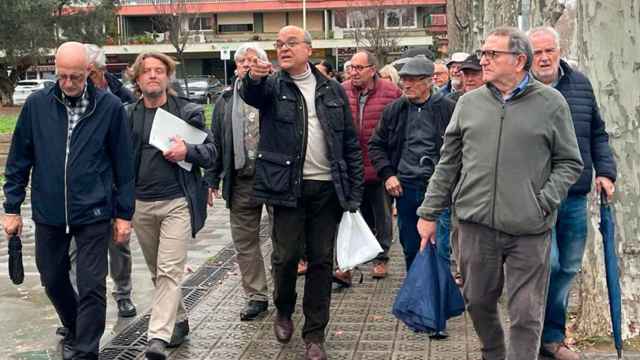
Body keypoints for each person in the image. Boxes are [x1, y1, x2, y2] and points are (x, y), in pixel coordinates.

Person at [416, 27, 584, 360]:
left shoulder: (552, 103)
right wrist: (428, 212)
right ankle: (493, 352)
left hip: (529, 229)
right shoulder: (468, 104)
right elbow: (448, 163)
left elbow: (569, 162)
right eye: (484, 53)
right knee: (477, 301)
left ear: (519, 60)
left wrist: (543, 201)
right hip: (476, 226)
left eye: (493, 54)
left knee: (526, 313)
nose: (484, 60)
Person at [3, 41, 135, 360]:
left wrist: (124, 215)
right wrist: (11, 207)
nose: (68, 83)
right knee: (52, 279)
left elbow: (124, 166)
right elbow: (19, 159)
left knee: (92, 286)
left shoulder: (109, 108)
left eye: (75, 77)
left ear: (88, 73)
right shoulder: (37, 106)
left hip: (94, 212)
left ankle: (86, 352)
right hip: (48, 212)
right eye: (62, 76)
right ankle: (76, 328)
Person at [241, 25, 363, 360]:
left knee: (322, 261)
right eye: (278, 44)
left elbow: (350, 143)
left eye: (290, 43)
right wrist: (253, 76)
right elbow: (249, 93)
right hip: (287, 188)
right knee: (286, 257)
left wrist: (352, 193)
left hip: (326, 188)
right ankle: (283, 309)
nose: (283, 48)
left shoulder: (332, 90)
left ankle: (314, 334)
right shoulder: (271, 86)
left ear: (309, 49)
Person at [528, 26, 617, 360]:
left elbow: (598, 131)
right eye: (538, 52)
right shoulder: (519, 91)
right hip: (537, 197)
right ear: (527, 56)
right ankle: (534, 332)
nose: (546, 57)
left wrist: (606, 172)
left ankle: (550, 337)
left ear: (559, 49)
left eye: (550, 50)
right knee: (546, 265)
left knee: (567, 268)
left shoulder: (580, 83)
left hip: (576, 195)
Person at [127, 51, 215, 360]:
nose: (153, 75)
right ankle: (177, 320)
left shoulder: (188, 111)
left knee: (168, 270)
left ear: (168, 76)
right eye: (146, 71)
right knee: (158, 271)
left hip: (176, 201)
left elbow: (211, 153)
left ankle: (157, 338)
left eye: (159, 71)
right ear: (137, 79)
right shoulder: (128, 115)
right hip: (140, 205)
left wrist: (187, 151)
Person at [368, 55, 455, 272]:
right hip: (405, 187)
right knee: (410, 245)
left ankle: (438, 295)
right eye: (404, 79)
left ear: (428, 81)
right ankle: (416, 293)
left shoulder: (448, 109)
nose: (406, 84)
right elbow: (376, 145)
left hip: (439, 189)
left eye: (413, 79)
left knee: (440, 245)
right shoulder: (394, 110)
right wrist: (388, 175)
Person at [208, 43, 271, 321]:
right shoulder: (224, 100)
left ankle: (284, 292)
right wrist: (211, 179)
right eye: (243, 60)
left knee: (283, 240)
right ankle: (256, 295)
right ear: (236, 67)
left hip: (273, 178)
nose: (247, 64)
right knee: (245, 242)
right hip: (241, 178)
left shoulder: (276, 93)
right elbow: (216, 143)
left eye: (253, 59)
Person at [79, 43, 137, 318]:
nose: (83, 80)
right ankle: (77, 304)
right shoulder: (73, 98)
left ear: (100, 72)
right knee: (75, 250)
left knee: (119, 245)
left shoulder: (123, 99)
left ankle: (123, 294)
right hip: (83, 188)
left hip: (114, 185)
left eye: (87, 74)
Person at [337, 50, 401, 284]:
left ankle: (381, 258)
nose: (353, 72)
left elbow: (398, 131)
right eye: (351, 68)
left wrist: (391, 168)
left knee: (382, 215)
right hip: (351, 168)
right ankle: (348, 263)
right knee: (352, 217)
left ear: (372, 70)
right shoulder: (342, 91)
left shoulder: (391, 93)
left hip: (380, 166)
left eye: (358, 68)